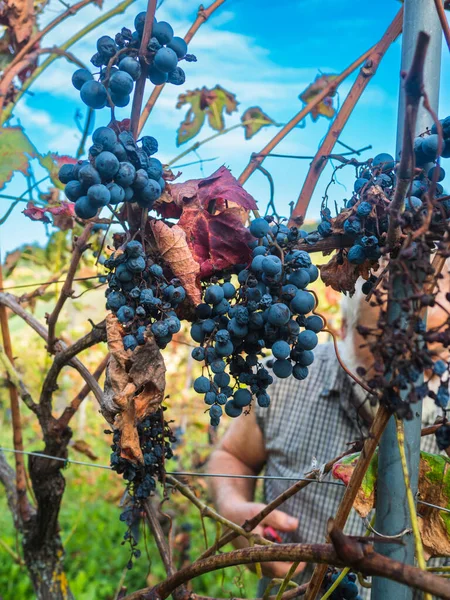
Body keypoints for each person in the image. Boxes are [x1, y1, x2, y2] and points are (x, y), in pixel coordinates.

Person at [207, 278, 448, 598]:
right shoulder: (284, 378)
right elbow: (232, 455)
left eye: (433, 347)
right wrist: (232, 505)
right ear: (346, 327)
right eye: (386, 348)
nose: (412, 367)